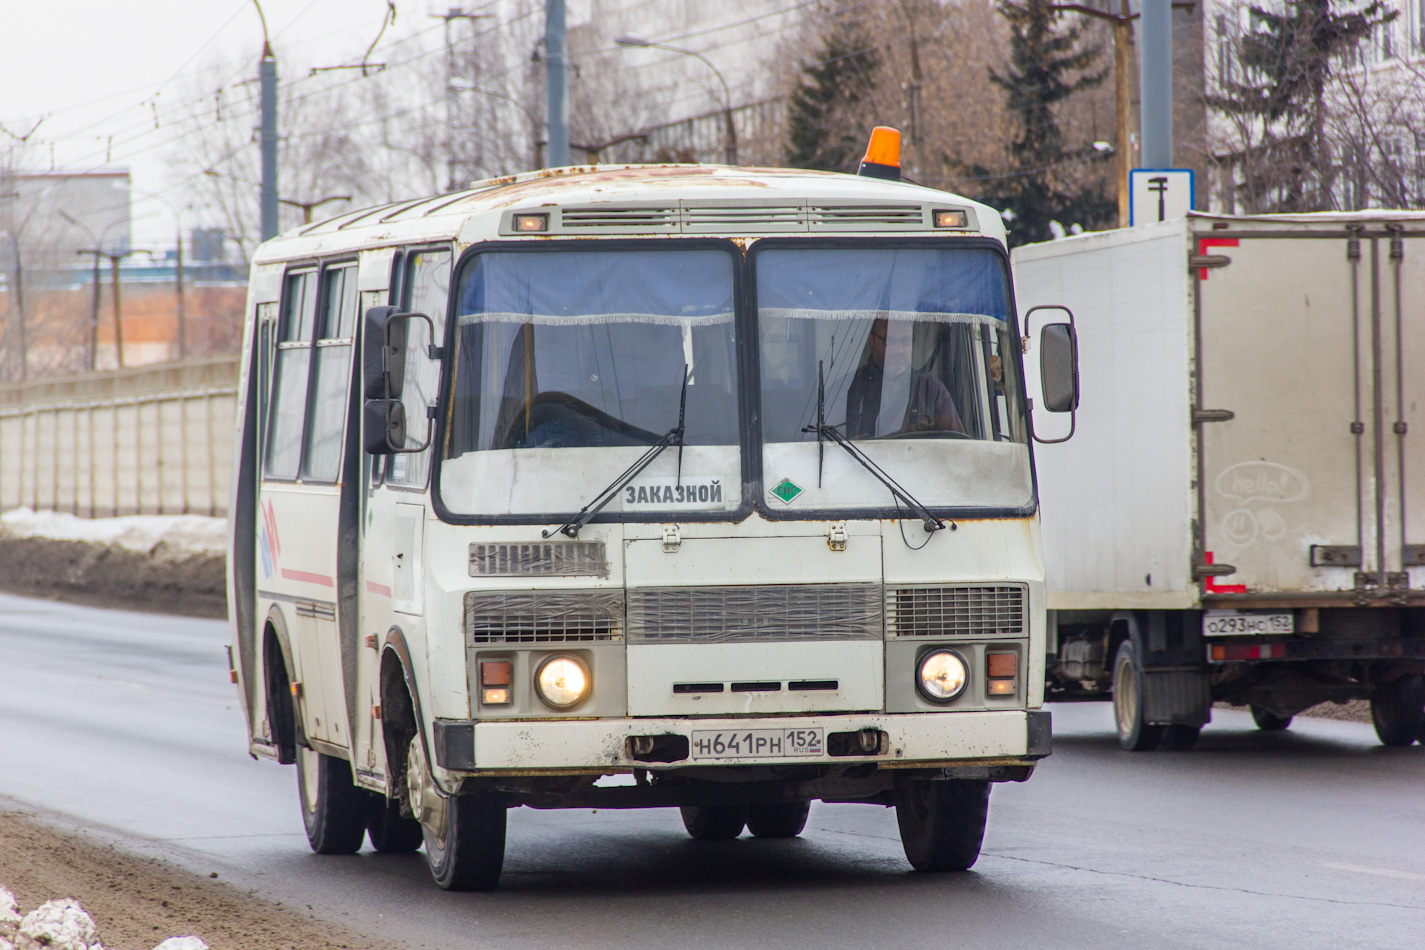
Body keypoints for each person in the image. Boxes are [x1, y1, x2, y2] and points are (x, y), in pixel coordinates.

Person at [844, 317, 965, 439]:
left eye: (905, 341)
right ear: (871, 341)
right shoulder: (851, 386)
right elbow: (831, 441)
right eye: (889, 341)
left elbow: (958, 447)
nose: (899, 350)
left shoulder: (933, 390)